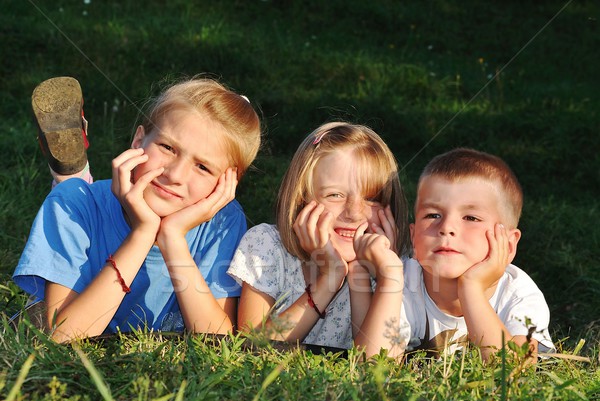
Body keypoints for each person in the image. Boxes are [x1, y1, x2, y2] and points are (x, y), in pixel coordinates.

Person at [13, 76, 261, 342]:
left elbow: (217, 342)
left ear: (228, 183)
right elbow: (63, 338)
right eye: (167, 147)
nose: (175, 174)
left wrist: (173, 239)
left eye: (203, 167)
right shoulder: (71, 205)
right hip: (70, 285)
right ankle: (75, 181)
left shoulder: (223, 223)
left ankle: (78, 176)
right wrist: (143, 233)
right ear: (138, 140)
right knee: (33, 325)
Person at [228, 121, 411, 358]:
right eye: (335, 195)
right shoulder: (266, 245)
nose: (354, 212)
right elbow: (251, 350)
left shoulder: (392, 264)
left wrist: (366, 276)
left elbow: (378, 365)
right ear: (302, 198)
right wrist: (329, 279)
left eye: (371, 198)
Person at [404, 147, 554, 360]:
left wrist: (471, 287)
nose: (447, 227)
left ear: (509, 245)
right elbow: (371, 366)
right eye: (433, 214)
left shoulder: (518, 295)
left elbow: (514, 373)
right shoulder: (402, 282)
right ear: (413, 235)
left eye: (471, 218)